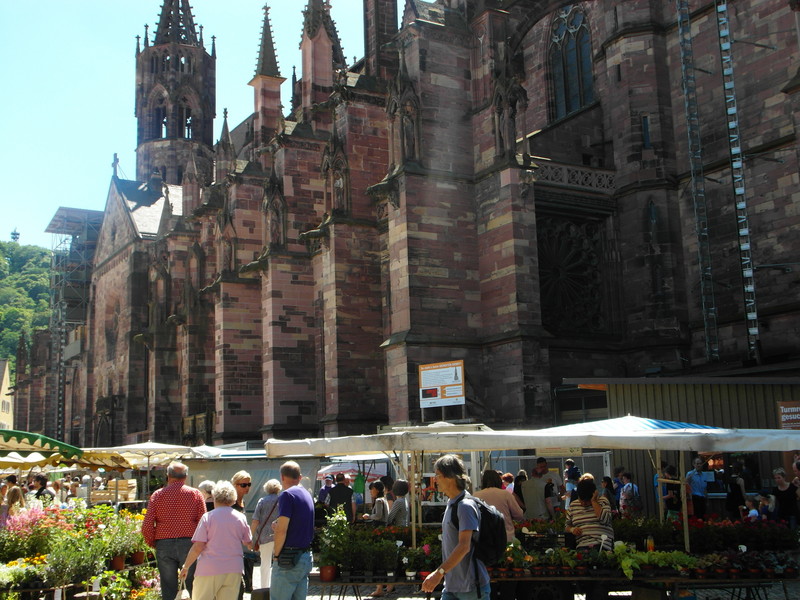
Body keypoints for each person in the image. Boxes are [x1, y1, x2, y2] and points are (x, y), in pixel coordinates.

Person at [421, 454, 490, 599]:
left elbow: (464, 546)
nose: (435, 480)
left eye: (438, 475)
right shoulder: (452, 503)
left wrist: (438, 573)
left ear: (450, 477)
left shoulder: (465, 506)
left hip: (472, 588)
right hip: (452, 586)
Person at [141, 461, 206, 600]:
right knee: (191, 584)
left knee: (168, 586)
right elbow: (203, 523)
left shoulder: (158, 495)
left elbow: (147, 525)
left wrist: (153, 542)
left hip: (164, 543)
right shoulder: (195, 494)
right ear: (185, 476)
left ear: (168, 476)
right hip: (189, 544)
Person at [179, 480, 252, 600]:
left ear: (214, 497)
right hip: (234, 568)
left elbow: (198, 547)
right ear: (233, 499)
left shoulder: (208, 517)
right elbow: (248, 542)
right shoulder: (241, 517)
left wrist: (186, 566)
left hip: (209, 568)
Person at [271, 461, 315, 600]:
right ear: (300, 477)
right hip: (305, 556)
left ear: (282, 477)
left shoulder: (287, 495)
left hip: (289, 558)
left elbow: (282, 531)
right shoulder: (307, 494)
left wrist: (276, 556)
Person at [474, 469, 523, 543]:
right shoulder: (506, 494)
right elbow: (519, 515)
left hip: (484, 539)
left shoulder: (476, 496)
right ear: (498, 480)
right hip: (506, 537)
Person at [565, 478, 613, 550]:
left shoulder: (602, 501)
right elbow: (567, 526)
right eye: (581, 500)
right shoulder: (573, 505)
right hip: (582, 544)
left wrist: (594, 502)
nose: (584, 503)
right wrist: (572, 529)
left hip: (602, 543)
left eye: (587, 501)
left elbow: (605, 520)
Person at [251, 479, 282, 591]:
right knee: (279, 563)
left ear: (266, 488)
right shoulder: (282, 501)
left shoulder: (262, 501)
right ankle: (277, 587)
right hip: (279, 536)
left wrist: (250, 536)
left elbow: (255, 520)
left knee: (265, 564)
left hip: (264, 537)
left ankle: (264, 588)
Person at [230, 471, 253, 595]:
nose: (247, 487)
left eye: (249, 484)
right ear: (235, 485)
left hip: (238, 546)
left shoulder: (242, 501)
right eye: (243, 485)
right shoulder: (231, 502)